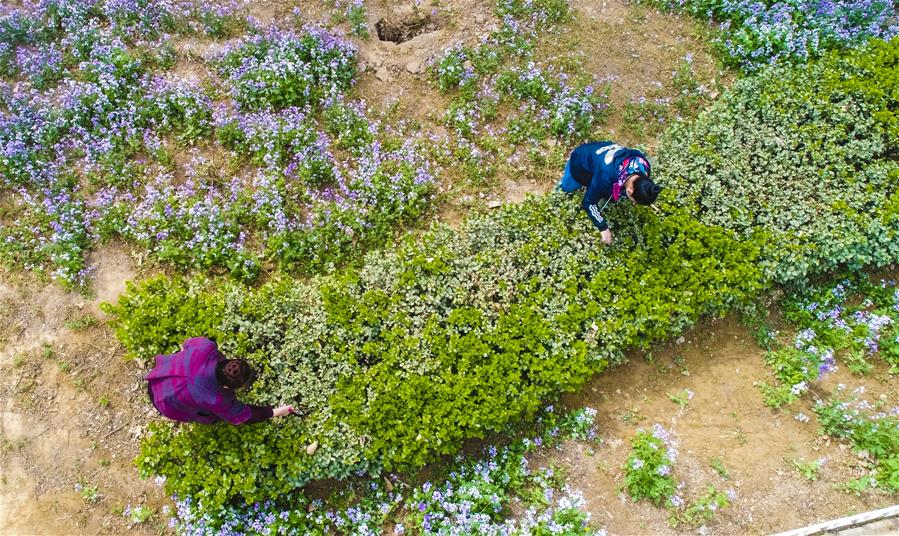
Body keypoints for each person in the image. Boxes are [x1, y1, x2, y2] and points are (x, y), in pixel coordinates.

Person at [146, 337, 294, 425]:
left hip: (157, 376)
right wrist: (275, 412)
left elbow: (187, 343)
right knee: (212, 417)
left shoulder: (207, 347)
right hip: (163, 403)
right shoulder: (217, 399)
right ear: (226, 387)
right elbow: (245, 415)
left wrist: (186, 357)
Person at [558, 141, 662, 245]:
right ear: (629, 192)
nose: (634, 203)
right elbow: (588, 203)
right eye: (634, 201)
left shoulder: (643, 166)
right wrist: (603, 227)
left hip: (602, 150)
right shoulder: (605, 178)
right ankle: (568, 169)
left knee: (600, 186)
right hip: (580, 158)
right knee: (567, 187)